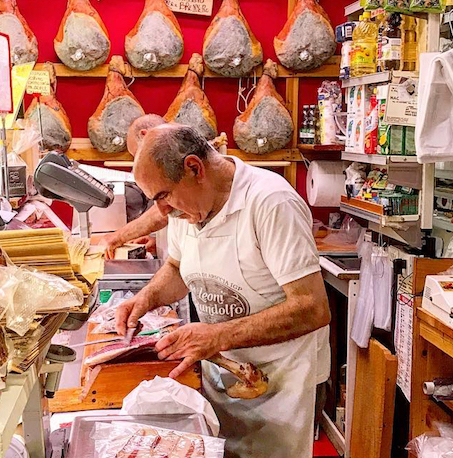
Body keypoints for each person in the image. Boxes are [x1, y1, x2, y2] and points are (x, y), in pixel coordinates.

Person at [116, 124, 330, 458]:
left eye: (163, 196)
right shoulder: (185, 211)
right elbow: (176, 268)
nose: (162, 212)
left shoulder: (271, 202)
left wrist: (217, 336)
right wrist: (146, 298)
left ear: (194, 168)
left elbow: (313, 307)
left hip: (279, 388)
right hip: (219, 376)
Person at [101, 114, 169, 258]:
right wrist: (159, 242)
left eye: (137, 155)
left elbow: (164, 211)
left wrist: (118, 237)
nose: (137, 162)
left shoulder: (175, 161)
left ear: (145, 136)